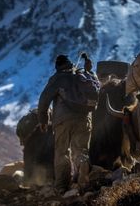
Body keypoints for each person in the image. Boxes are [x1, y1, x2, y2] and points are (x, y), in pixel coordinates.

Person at [37, 54, 93, 193]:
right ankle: (82, 173)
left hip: (63, 122)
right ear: (70, 64)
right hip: (84, 119)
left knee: (62, 152)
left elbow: (43, 100)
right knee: (81, 150)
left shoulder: (57, 78)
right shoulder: (81, 76)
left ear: (57, 67)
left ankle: (62, 185)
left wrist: (43, 120)